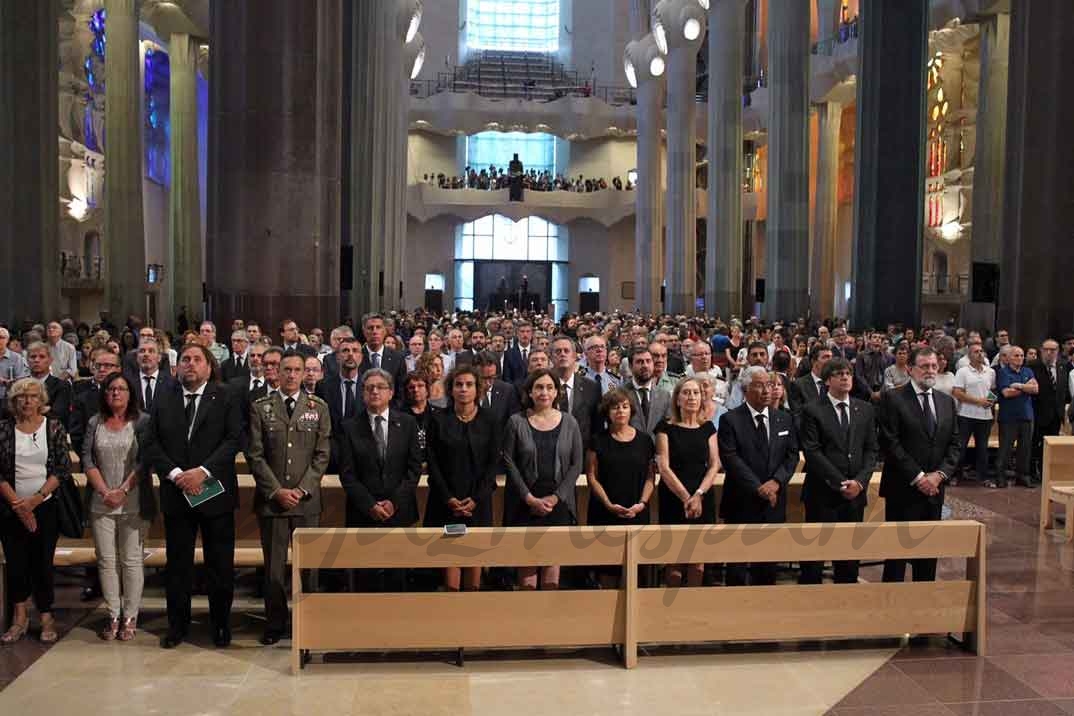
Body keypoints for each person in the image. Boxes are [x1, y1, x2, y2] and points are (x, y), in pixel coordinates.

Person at [144, 343, 242, 648]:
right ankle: (178, 625)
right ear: (176, 367)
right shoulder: (164, 398)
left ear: (209, 367)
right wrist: (175, 475)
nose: (190, 364)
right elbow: (151, 443)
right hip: (177, 492)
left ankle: (221, 625)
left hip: (214, 491)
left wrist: (202, 471)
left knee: (220, 565)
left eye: (197, 359)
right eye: (185, 359)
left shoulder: (225, 396)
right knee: (178, 566)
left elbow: (234, 439)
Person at [247, 351, 331, 645]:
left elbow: (322, 455)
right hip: (273, 502)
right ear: (278, 373)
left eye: (298, 370)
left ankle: (308, 623)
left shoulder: (318, 407)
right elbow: (255, 455)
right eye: (287, 369)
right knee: (273, 571)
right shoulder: (261, 407)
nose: (293, 375)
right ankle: (275, 624)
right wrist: (276, 491)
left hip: (306, 502)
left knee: (309, 569)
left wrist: (301, 489)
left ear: (306, 373)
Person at [81, 373, 155, 641]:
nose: (115, 393)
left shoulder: (142, 421)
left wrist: (123, 490)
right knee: (107, 560)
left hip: (133, 499)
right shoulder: (95, 421)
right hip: (101, 501)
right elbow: (87, 458)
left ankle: (130, 616)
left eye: (121, 389)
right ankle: (113, 614)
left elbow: (145, 461)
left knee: (132, 561)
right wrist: (104, 491)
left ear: (130, 393)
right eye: (111, 389)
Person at [879, 347, 961, 582]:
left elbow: (955, 443)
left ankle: (924, 602)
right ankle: (891, 603)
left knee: (928, 553)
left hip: (934, 490)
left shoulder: (946, 402)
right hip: (903, 487)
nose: (931, 371)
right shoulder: (893, 398)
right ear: (910, 369)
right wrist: (919, 477)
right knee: (896, 556)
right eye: (925, 366)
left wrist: (939, 475)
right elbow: (890, 442)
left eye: (934, 366)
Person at [0, 379, 73, 644]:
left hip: (45, 506)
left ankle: (46, 615)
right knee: (16, 563)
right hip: (10, 509)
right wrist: (18, 505)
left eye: (32, 396)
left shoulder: (53, 427)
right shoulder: (4, 429)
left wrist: (35, 500)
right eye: (22, 397)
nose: (27, 401)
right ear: (14, 401)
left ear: (40, 400)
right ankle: (19, 617)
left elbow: (62, 469)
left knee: (42, 564)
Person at [798, 358, 879, 585]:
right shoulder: (813, 410)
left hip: (855, 494)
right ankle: (811, 598)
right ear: (827, 381)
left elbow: (872, 450)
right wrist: (841, 483)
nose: (845, 377)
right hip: (822, 493)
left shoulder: (864, 409)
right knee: (815, 555)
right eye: (838, 374)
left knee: (849, 556)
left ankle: (847, 598)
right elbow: (812, 452)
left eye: (848, 373)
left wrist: (860, 483)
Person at [718, 366, 800, 586]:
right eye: (760, 385)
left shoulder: (784, 419)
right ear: (745, 389)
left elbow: (791, 456)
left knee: (767, 568)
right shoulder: (730, 420)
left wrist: (775, 482)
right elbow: (731, 459)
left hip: (773, 504)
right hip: (741, 503)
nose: (767, 390)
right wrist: (759, 487)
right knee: (736, 568)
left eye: (770, 384)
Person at [502, 370, 583, 590]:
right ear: (529, 391)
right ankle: (526, 621)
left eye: (549, 387)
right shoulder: (515, 421)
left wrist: (556, 498)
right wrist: (529, 498)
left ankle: (547, 621)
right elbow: (509, 462)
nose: (544, 392)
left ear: (557, 391)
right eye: (538, 387)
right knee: (527, 569)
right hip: (524, 503)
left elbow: (577, 464)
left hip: (558, 504)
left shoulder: (570, 422)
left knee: (552, 566)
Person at [424, 365, 501, 591]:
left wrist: (476, 499)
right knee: (451, 562)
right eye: (458, 384)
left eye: (469, 385)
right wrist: (449, 499)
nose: (463, 389)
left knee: (474, 563)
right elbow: (434, 464)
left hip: (478, 502)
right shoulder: (438, 420)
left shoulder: (491, 420)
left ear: (478, 389)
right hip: (447, 503)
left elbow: (492, 464)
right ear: (451, 389)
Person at [654, 378, 719, 586]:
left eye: (696, 393)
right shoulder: (665, 427)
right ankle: (672, 613)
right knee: (674, 559)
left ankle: (693, 609)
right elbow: (664, 467)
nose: (691, 397)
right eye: (686, 393)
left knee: (698, 559)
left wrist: (698, 495)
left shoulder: (708, 428)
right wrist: (686, 497)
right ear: (678, 399)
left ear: (702, 398)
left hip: (702, 496)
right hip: (675, 496)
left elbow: (714, 464)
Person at [952, 342, 996, 486]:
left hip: (985, 416)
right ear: (969, 355)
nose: (980, 354)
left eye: (981, 351)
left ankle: (982, 477)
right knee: (961, 447)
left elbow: (993, 390)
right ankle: (956, 476)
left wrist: (989, 401)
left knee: (983, 448)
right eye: (976, 351)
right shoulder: (963, 372)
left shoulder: (990, 372)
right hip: (965, 415)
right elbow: (957, 393)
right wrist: (979, 401)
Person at [993, 345, 1037, 488]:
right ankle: (1001, 476)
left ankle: (1022, 476)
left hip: (1027, 416)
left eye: (1021, 355)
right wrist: (1026, 387)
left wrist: (1019, 385)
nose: (1019, 358)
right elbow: (1006, 393)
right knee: (1005, 449)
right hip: (1008, 417)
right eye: (1016, 355)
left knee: (1025, 449)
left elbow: (1035, 389)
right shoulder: (1003, 372)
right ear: (1009, 358)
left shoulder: (1028, 370)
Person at [550, 336, 600, 451]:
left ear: (574, 356)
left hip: (582, 452)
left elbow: (596, 426)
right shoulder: (544, 386)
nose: (562, 354)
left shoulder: (591, 387)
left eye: (566, 351)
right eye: (558, 351)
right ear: (551, 357)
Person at [1029, 339, 1070, 482]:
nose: (1049, 353)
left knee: (1051, 446)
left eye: (1052, 350)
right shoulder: (1033, 367)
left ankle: (1046, 473)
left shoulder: (1062, 367)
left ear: (1057, 352)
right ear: (1041, 351)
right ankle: (1033, 473)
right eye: (1046, 350)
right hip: (1038, 413)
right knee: (1035, 445)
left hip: (1056, 415)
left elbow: (1063, 391)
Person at [622, 347, 672, 436]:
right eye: (639, 362)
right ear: (630, 366)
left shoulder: (665, 396)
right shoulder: (620, 394)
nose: (645, 365)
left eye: (648, 361)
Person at [25, 342, 73, 431]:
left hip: (50, 432)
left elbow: (58, 414)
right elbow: (7, 412)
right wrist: (44, 408)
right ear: (27, 360)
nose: (36, 360)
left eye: (42, 357)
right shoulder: (17, 385)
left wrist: (25, 409)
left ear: (50, 360)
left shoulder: (62, 386)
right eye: (33, 357)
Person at [361, 313, 408, 395]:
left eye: (378, 327)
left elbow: (401, 391)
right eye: (370, 328)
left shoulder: (397, 358)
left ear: (384, 331)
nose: (374, 331)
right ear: (364, 331)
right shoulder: (357, 356)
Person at [129, 338, 176, 413]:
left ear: (159, 357)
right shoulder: (128, 383)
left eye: (151, 351)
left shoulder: (172, 383)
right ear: (137, 358)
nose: (146, 354)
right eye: (142, 351)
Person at [474, 351, 521, 425]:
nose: (488, 383)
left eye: (492, 377)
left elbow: (514, 423)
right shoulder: (467, 391)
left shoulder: (508, 391)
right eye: (483, 378)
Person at [789, 344, 833, 421]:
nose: (830, 360)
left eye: (831, 357)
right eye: (825, 357)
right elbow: (797, 416)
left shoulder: (835, 383)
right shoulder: (798, 385)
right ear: (813, 361)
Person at [0, 326, 31, 407]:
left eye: (1, 338)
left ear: (7, 340)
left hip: (9, 398)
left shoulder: (16, 358)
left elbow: (21, 379)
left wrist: (9, 382)